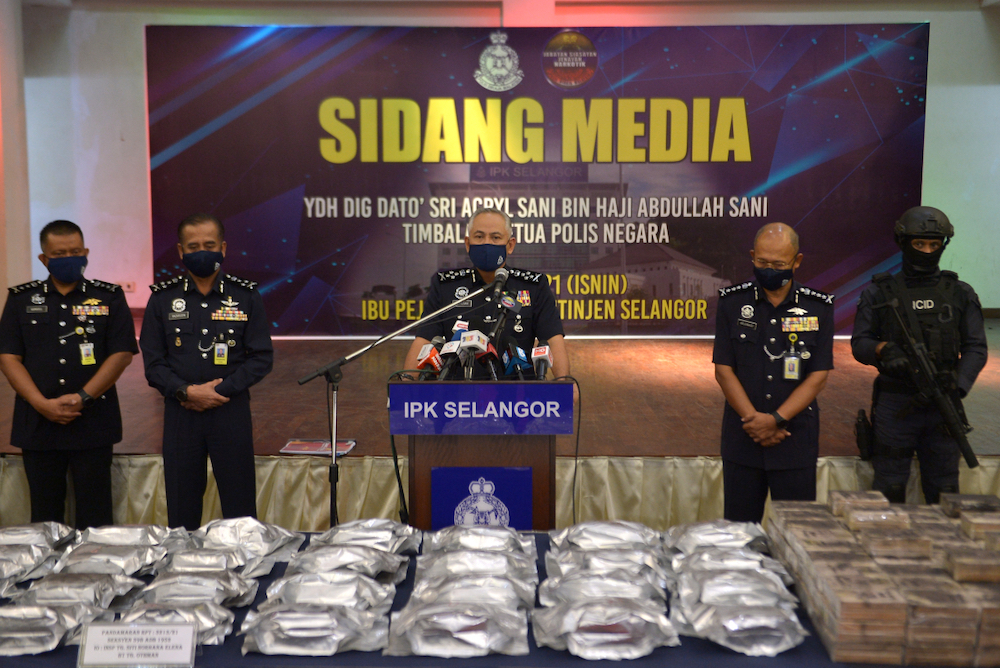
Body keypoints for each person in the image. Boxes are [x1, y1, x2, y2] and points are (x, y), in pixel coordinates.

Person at [139, 213, 273, 530]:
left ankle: (243, 574)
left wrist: (217, 392)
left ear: (223, 248)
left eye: (209, 245)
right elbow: (153, 362)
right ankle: (182, 573)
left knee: (240, 510)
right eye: (194, 246)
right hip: (180, 414)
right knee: (182, 511)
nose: (202, 251)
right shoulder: (162, 298)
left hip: (230, 412)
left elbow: (261, 357)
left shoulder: (245, 296)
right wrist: (186, 392)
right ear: (181, 251)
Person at [0, 220, 136, 529]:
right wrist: (40, 403)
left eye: (75, 251)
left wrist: (83, 397)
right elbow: (8, 357)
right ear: (44, 259)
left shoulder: (108, 297)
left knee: (96, 515)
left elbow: (122, 353)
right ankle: (46, 575)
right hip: (38, 422)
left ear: (86, 252)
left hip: (92, 419)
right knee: (45, 517)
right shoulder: (21, 299)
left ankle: (95, 573)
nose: (69, 258)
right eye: (59, 253)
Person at [851, 206, 987, 504]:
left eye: (934, 245)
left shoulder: (960, 293)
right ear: (903, 242)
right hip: (896, 404)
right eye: (919, 244)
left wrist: (959, 384)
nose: (927, 251)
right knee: (889, 489)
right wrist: (884, 350)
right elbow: (860, 343)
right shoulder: (879, 293)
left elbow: (976, 347)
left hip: (943, 403)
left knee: (944, 491)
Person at [712, 222, 834, 523]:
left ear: (797, 261)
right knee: (739, 536)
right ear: (752, 256)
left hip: (794, 440)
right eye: (762, 262)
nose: (769, 269)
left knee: (797, 532)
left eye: (778, 264)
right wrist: (755, 423)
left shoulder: (818, 308)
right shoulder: (732, 302)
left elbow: (817, 375)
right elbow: (724, 370)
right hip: (743, 439)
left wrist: (776, 420)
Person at [403, 207, 569, 379]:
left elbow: (552, 341)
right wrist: (407, 383)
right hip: (455, 398)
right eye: (479, 237)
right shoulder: (445, 286)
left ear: (510, 245)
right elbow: (425, 340)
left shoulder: (534, 287)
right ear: (468, 244)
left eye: (495, 237)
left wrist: (564, 383)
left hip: (518, 397)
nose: (486, 243)